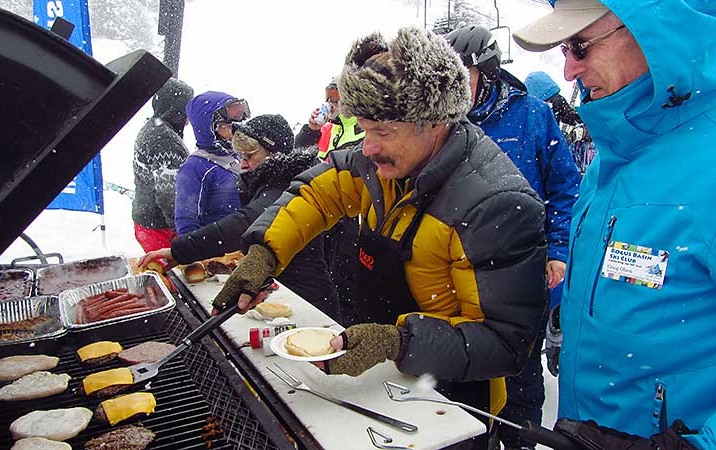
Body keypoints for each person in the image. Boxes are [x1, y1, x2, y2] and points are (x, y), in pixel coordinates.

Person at [211, 27, 548, 449]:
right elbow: (315, 194)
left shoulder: (492, 205)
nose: (367, 147)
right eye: (364, 129)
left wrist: (396, 341)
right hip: (382, 376)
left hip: (455, 403)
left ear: (434, 121)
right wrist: (264, 252)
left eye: (382, 132)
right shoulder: (383, 164)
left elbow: (504, 343)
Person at [513, 0, 716, 449]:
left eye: (580, 46)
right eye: (564, 49)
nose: (568, 71)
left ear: (660, 33)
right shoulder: (612, 161)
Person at [448, 25, 581, 450]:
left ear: (486, 73)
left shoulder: (533, 116)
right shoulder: (443, 123)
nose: (452, 91)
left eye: (461, 79)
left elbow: (565, 189)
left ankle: (519, 442)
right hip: (461, 272)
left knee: (519, 373)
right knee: (465, 368)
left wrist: (558, 251)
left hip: (524, 270)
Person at [140, 114, 340, 319]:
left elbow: (246, 222)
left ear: (274, 154)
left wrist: (181, 250)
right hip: (285, 288)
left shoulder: (285, 186)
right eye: (240, 156)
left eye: (248, 156)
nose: (242, 164)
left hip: (308, 300)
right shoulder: (273, 178)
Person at [295, 76, 366, 325]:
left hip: (352, 219)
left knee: (346, 281)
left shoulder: (363, 127)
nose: (331, 104)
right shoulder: (329, 129)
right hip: (328, 214)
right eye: (328, 98)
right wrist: (310, 130)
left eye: (337, 99)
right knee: (326, 277)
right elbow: (299, 156)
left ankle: (344, 332)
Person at [132, 77, 193, 253]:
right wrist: (182, 232)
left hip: (146, 219)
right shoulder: (165, 141)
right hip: (160, 228)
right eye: (187, 107)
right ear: (177, 109)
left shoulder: (152, 126)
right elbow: (169, 194)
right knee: (172, 277)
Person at [174, 92, 244, 235]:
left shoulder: (240, 155)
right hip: (219, 249)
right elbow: (187, 223)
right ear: (211, 128)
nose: (238, 130)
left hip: (245, 246)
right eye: (230, 126)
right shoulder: (195, 168)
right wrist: (195, 253)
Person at [525, 71, 598, 175]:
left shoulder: (558, 105)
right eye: (546, 101)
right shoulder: (531, 121)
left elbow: (580, 120)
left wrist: (580, 133)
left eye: (551, 100)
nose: (549, 105)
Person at [294, 76, 365, 159]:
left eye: (334, 96)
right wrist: (312, 131)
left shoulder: (365, 128)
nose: (329, 101)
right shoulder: (326, 130)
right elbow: (299, 157)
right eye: (328, 95)